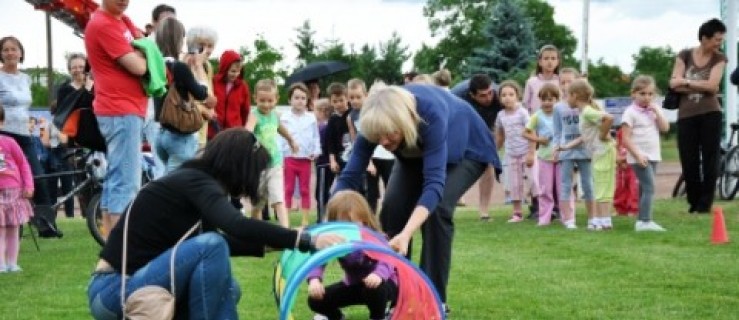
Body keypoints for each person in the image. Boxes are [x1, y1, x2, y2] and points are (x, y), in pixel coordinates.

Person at [87, 128, 344, 319]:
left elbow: (229, 241)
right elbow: (233, 226)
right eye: (254, 172)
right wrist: (303, 240)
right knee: (212, 246)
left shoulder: (196, 185)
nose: (252, 181)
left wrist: (283, 242)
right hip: (114, 290)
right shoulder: (196, 181)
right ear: (239, 166)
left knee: (229, 287)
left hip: (136, 287)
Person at [333, 83, 500, 312]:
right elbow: (349, 176)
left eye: (388, 134)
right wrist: (326, 224)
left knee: (437, 209)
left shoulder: (430, 116)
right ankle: (398, 294)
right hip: (415, 150)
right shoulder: (377, 120)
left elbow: (433, 185)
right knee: (392, 208)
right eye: (376, 136)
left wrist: (406, 234)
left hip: (467, 147)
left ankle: (431, 298)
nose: (382, 142)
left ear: (401, 122)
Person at [84, 0, 148, 239]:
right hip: (120, 109)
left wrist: (142, 47)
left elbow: (141, 40)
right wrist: (144, 49)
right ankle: (121, 248)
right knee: (127, 181)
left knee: (116, 178)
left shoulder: (122, 20)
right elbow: (139, 67)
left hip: (123, 108)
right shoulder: (103, 24)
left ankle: (112, 245)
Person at [307, 190, 398, 320]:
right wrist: (314, 279)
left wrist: (378, 274)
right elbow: (319, 259)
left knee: (376, 289)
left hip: (384, 283)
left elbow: (388, 259)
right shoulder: (336, 240)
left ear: (364, 220)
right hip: (354, 285)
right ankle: (336, 317)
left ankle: (378, 317)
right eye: (342, 223)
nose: (348, 228)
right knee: (315, 299)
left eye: (352, 222)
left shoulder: (374, 238)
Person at [0, 36, 57, 237]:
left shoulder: (25, 78)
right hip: (3, 135)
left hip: (24, 134)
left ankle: (46, 225)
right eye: (5, 50)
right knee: (7, 179)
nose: (9, 53)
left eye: (13, 49)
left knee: (37, 176)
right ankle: (7, 224)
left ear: (20, 53)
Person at [669, 18, 727, 214]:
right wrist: (697, 84)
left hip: (711, 113)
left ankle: (705, 204)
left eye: (721, 40)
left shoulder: (719, 58)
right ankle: (693, 201)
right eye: (717, 40)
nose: (720, 44)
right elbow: (673, 83)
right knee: (688, 159)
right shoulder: (684, 55)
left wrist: (685, 82)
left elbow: (713, 86)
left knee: (711, 159)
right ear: (704, 38)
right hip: (686, 115)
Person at [153, 18, 210, 174]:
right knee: (170, 189)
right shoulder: (179, 68)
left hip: (161, 135)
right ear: (179, 40)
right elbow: (202, 94)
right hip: (180, 138)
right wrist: (198, 66)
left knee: (168, 181)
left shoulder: (153, 65)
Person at [558, 79, 615, 230]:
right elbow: (586, 136)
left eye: (568, 95)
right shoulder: (585, 113)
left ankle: (604, 221)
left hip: (603, 151)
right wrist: (565, 147)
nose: (566, 99)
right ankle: (603, 220)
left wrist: (603, 135)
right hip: (598, 152)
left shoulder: (588, 111)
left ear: (575, 96)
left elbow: (609, 118)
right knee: (601, 185)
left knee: (602, 186)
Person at [245, 79, 298, 228]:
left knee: (278, 198)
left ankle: (286, 232)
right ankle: (257, 234)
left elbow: (281, 128)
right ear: (255, 98)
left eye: (270, 100)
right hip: (258, 166)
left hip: (274, 163)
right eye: (262, 100)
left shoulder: (274, 115)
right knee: (258, 203)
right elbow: (248, 130)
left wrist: (291, 141)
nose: (266, 104)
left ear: (276, 99)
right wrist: (249, 139)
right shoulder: (254, 115)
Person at [621, 75, 669, 231]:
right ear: (633, 93)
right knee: (650, 187)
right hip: (639, 156)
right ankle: (646, 221)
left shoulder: (653, 110)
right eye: (642, 93)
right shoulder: (630, 113)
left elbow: (665, 128)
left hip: (653, 154)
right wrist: (638, 155)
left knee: (644, 187)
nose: (646, 97)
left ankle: (641, 220)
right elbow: (626, 139)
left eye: (650, 94)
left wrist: (657, 112)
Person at [457, 74, 503, 221]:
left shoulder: (499, 96)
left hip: (488, 128)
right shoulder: (457, 96)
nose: (488, 97)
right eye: (483, 95)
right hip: (463, 127)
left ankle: (484, 211)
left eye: (490, 93)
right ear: (472, 95)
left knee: (488, 163)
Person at [552, 68, 593, 229]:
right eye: (563, 82)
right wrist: (556, 148)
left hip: (585, 149)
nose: (566, 85)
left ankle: (592, 218)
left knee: (588, 183)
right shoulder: (558, 108)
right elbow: (557, 131)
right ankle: (568, 219)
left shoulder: (586, 106)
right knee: (566, 184)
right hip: (565, 150)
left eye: (570, 81)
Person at [494, 80, 538, 223]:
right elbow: (500, 135)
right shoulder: (501, 115)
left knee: (533, 181)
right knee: (515, 184)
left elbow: (531, 132)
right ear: (500, 98)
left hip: (526, 152)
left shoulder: (523, 112)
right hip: (511, 154)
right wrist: (495, 150)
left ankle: (539, 209)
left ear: (517, 96)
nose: (507, 97)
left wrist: (531, 153)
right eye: (504, 95)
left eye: (511, 94)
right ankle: (517, 213)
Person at [142, 4, 177, 180]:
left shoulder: (179, 51)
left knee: (175, 169)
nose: (169, 26)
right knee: (162, 169)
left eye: (173, 21)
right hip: (154, 116)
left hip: (176, 118)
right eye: (165, 21)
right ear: (154, 23)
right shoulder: (147, 47)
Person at [280, 82, 321, 226]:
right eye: (296, 97)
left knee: (305, 189)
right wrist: (280, 157)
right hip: (289, 158)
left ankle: (305, 220)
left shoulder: (311, 118)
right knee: (288, 188)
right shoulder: (284, 118)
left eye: (303, 98)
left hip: (305, 159)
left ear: (307, 100)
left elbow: (316, 137)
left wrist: (316, 151)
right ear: (290, 99)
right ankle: (286, 219)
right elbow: (279, 138)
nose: (300, 101)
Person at [0, 105, 34, 273]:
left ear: (2, 122)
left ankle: (12, 263)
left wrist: (29, 185)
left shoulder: (10, 142)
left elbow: (23, 164)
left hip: (14, 191)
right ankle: (1, 264)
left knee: (13, 228)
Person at [523, 83, 560, 226]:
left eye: (550, 99)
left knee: (563, 188)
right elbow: (525, 132)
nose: (547, 103)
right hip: (545, 157)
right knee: (545, 188)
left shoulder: (560, 113)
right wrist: (539, 140)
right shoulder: (537, 116)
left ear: (557, 100)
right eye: (544, 99)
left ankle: (567, 217)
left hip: (561, 156)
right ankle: (545, 217)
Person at [185, 25, 219, 149]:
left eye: (210, 46)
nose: (207, 50)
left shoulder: (208, 66)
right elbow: (182, 99)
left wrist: (210, 109)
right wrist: (204, 109)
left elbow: (211, 98)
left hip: (202, 128)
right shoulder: (185, 64)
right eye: (202, 45)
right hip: (186, 128)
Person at [210, 50, 250, 139]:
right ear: (224, 68)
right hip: (213, 131)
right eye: (233, 71)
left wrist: (242, 129)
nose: (236, 74)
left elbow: (245, 110)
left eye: (238, 71)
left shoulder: (243, 87)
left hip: (234, 133)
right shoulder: (213, 82)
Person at [523, 45, 561, 114]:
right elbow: (525, 104)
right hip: (536, 120)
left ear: (557, 61)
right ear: (540, 62)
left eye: (553, 58)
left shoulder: (561, 81)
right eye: (546, 58)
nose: (550, 61)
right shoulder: (531, 82)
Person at [326, 83, 352, 175]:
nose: (339, 104)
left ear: (347, 98)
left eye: (341, 100)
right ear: (330, 102)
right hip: (341, 158)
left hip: (355, 156)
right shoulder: (332, 119)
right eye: (335, 101)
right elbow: (330, 142)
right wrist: (332, 161)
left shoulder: (353, 114)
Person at [314, 98, 333, 222]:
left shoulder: (323, 128)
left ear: (322, 111)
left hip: (323, 163)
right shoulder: (324, 126)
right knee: (324, 191)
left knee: (321, 193)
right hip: (323, 163)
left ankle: (321, 219)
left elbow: (320, 145)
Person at [614, 126, 639, 216]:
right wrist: (618, 159)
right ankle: (620, 208)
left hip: (633, 164)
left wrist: (626, 159)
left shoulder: (637, 131)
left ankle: (633, 209)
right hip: (621, 165)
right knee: (620, 187)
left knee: (634, 187)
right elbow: (616, 146)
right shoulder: (621, 131)